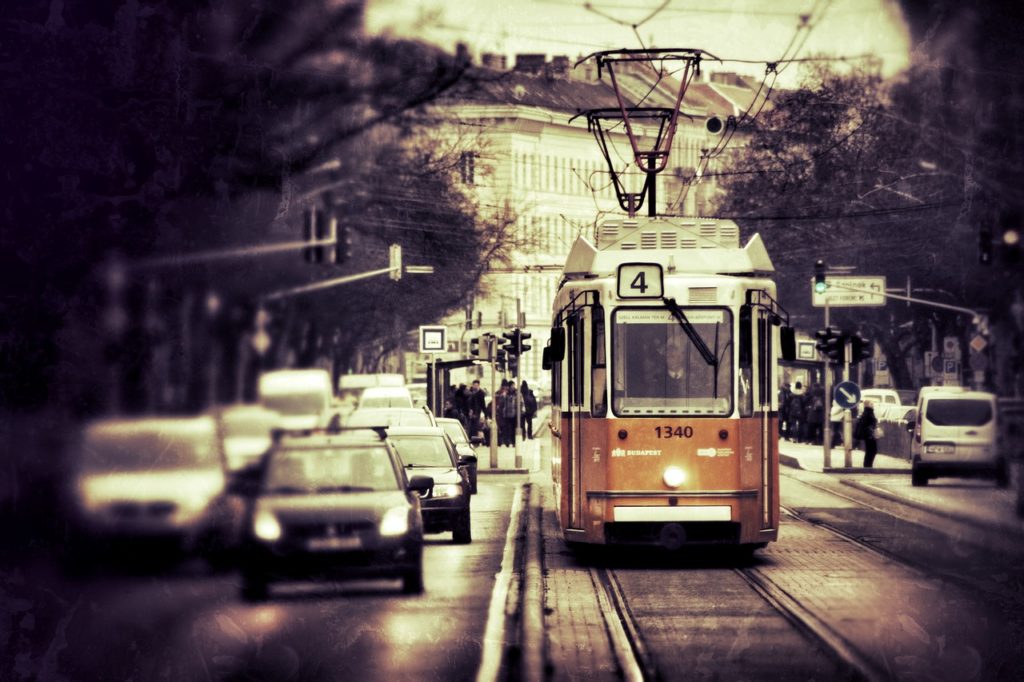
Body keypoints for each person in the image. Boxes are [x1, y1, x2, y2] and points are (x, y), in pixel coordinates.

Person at [855, 400, 879, 467]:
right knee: (872, 450)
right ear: (867, 405)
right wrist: (871, 429)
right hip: (869, 435)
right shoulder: (868, 412)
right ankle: (868, 465)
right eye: (871, 403)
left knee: (870, 450)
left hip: (868, 435)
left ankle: (867, 465)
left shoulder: (868, 412)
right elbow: (866, 424)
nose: (873, 404)